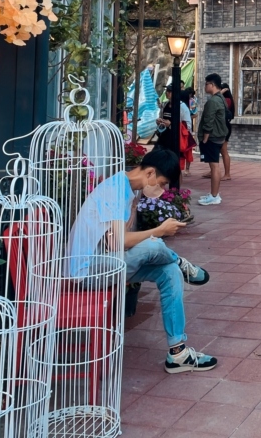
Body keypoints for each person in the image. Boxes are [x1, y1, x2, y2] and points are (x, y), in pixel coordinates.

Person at [67, 148, 217, 373]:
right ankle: (179, 261)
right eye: (162, 183)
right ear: (149, 174)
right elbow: (120, 242)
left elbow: (113, 244)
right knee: (155, 243)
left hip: (110, 262)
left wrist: (135, 209)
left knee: (169, 272)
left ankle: (178, 353)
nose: (162, 189)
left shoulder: (129, 190)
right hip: (89, 270)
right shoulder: (115, 189)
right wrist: (160, 230)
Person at [197, 74, 228, 205]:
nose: (205, 86)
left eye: (206, 84)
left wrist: (205, 139)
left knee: (214, 166)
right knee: (214, 165)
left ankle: (214, 196)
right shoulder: (221, 98)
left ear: (212, 85)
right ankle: (213, 194)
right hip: (219, 136)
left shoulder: (213, 101)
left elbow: (208, 122)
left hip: (212, 137)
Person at [219, 81, 234, 182]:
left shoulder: (226, 100)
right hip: (221, 126)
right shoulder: (225, 99)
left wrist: (219, 94)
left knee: (224, 150)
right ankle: (213, 171)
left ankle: (227, 173)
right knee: (218, 150)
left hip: (224, 126)